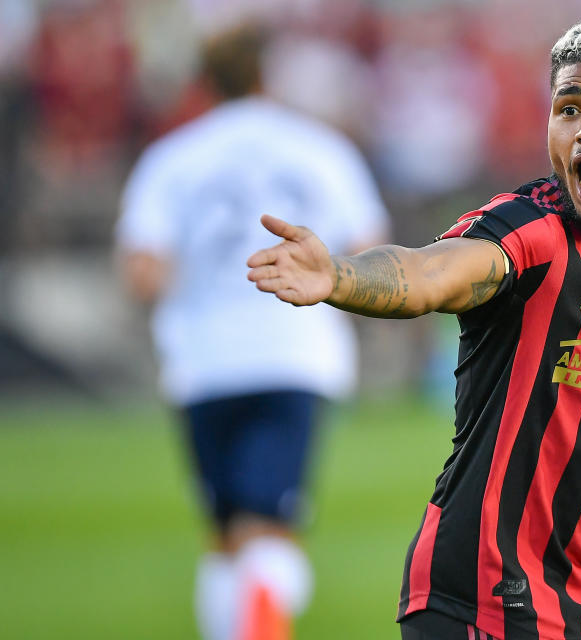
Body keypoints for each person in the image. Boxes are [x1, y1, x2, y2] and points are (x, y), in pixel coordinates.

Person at [247, 16, 581, 640]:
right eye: (569, 108)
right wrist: (337, 275)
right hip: (478, 601)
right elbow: (427, 274)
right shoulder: (531, 232)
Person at [115, 25, 389, 640]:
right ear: (267, 76)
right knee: (269, 530)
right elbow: (370, 251)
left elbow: (141, 271)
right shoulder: (319, 148)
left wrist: (205, 268)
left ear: (204, 83)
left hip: (203, 361)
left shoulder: (172, 156)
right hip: (296, 354)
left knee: (226, 531)